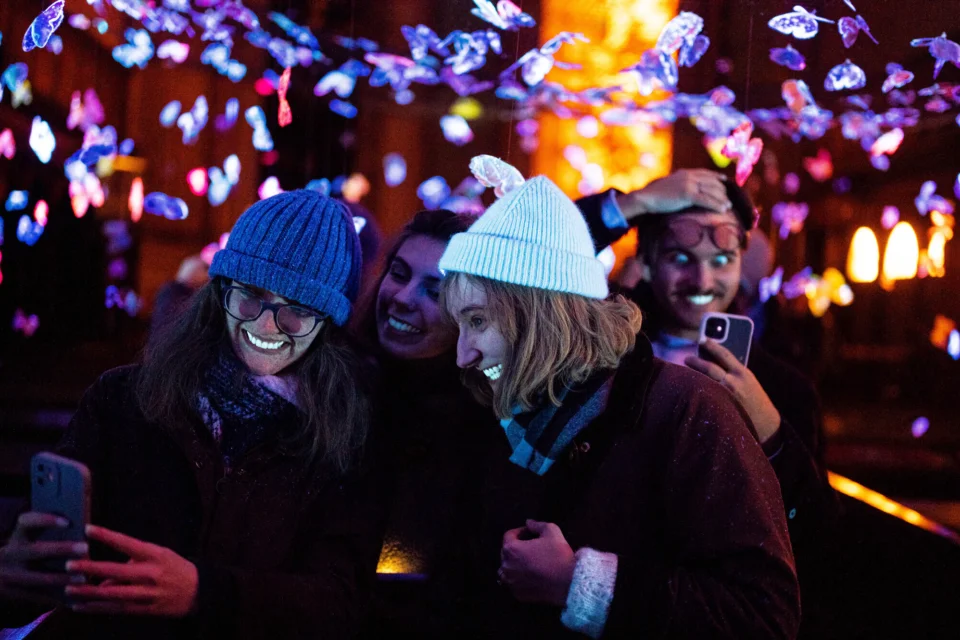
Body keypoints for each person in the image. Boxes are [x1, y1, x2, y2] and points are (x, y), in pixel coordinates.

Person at [0, 191, 383, 639]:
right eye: (251, 295)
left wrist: (205, 593)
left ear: (328, 325)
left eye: (297, 311)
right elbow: (37, 566)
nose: (264, 326)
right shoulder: (124, 397)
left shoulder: (344, 437)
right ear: (221, 289)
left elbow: (338, 604)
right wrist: (13, 574)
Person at [437, 175, 800, 638]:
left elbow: (764, 617)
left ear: (540, 315)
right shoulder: (497, 411)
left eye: (478, 321)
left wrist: (582, 586)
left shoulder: (684, 406)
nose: (461, 354)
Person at [578, 173, 838, 632]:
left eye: (722, 259)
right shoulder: (596, 349)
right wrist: (634, 203)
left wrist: (772, 431)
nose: (702, 279)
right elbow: (522, 255)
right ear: (647, 259)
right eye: (680, 258)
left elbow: (814, 532)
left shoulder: (784, 385)